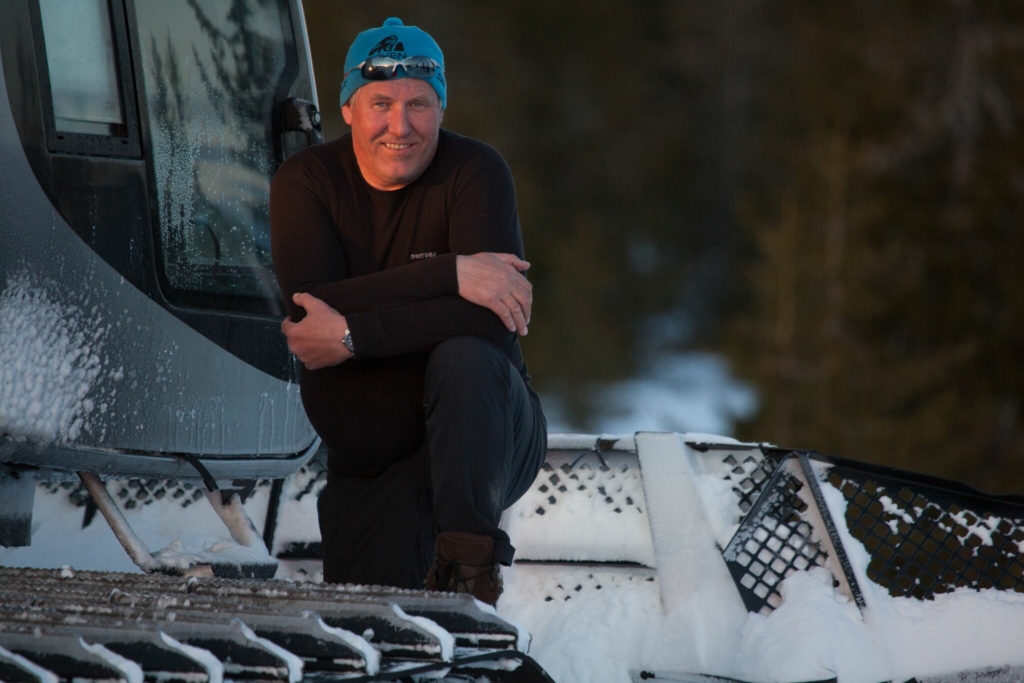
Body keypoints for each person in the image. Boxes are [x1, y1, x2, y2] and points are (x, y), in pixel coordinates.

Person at [269, 17, 546, 605]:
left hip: (488, 440)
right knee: (371, 634)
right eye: (381, 103)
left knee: (466, 357)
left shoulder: (474, 171)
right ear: (348, 109)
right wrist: (451, 274)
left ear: (441, 108)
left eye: (419, 103)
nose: (400, 126)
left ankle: (470, 571)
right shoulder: (307, 181)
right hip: (369, 469)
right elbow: (308, 307)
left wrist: (351, 334)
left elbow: (489, 319)